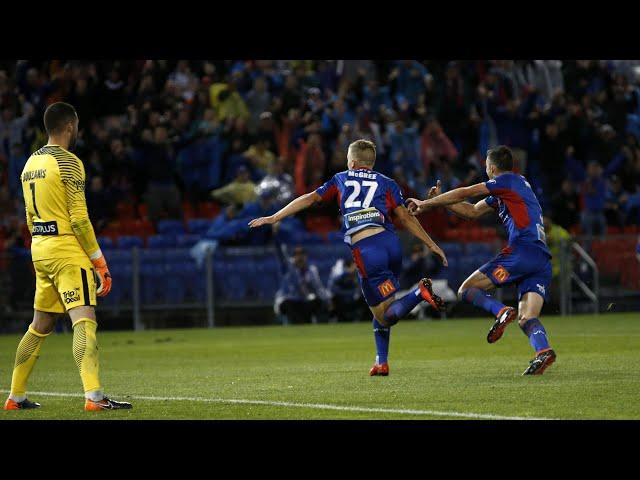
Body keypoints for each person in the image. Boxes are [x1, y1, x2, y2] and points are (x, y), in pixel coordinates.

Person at [249, 139, 447, 376]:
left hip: (367, 249)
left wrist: (274, 217)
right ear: (371, 163)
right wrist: (432, 244)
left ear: (351, 162)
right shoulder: (388, 182)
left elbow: (310, 198)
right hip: (391, 244)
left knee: (385, 315)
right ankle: (381, 362)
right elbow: (405, 218)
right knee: (384, 309)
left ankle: (418, 293)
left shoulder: (342, 177)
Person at [4, 102, 131, 411]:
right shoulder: (69, 161)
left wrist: (39, 247)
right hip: (66, 250)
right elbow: (79, 219)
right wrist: (99, 260)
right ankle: (94, 397)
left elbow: (30, 216)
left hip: (40, 248)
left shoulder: (30, 163)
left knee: (40, 325)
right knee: (84, 321)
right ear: (71, 127)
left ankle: (15, 396)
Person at [407, 146, 556, 375]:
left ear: (492, 167)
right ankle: (543, 351)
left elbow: (465, 192)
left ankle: (500, 311)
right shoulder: (512, 188)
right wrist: (441, 200)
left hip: (522, 252)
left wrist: (425, 205)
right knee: (527, 318)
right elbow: (471, 211)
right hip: (541, 258)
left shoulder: (506, 181)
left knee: (466, 289)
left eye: (486, 165)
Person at [274, 246, 329, 324]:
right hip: (288, 299)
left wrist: (327, 300)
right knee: (289, 305)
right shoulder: (287, 267)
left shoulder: (311, 270)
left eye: (302, 254)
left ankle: (317, 325)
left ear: (306, 256)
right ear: (293, 257)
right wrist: (276, 238)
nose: (300, 257)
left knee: (319, 302)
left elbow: (318, 287)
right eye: (297, 254)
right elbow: (280, 254)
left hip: (304, 300)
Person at [328, 257, 368, 322]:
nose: (355, 268)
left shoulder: (358, 274)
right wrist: (347, 273)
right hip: (342, 297)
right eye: (353, 265)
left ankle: (361, 318)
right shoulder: (341, 275)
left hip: (353, 297)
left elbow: (360, 288)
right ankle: (335, 318)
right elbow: (334, 289)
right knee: (334, 298)